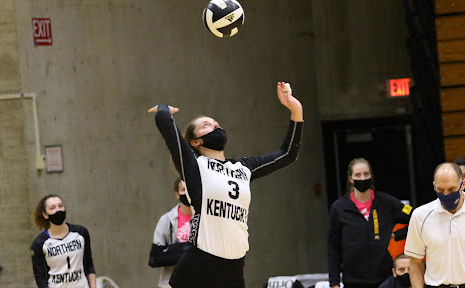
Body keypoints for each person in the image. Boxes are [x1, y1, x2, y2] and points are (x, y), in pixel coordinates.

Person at [147, 81, 303, 288]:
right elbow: (164, 121)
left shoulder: (243, 168)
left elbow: (287, 154)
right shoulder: (195, 165)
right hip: (200, 262)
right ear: (195, 142)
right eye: (206, 125)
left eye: (216, 123)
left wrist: (296, 109)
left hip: (234, 266)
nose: (215, 126)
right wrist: (165, 109)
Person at [328, 158, 413, 288]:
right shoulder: (339, 208)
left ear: (371, 176)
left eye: (366, 174)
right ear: (350, 179)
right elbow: (333, 247)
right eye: (358, 175)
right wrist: (334, 282)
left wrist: (397, 235)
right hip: (354, 280)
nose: (362, 178)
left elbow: (418, 219)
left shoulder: (386, 202)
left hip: (384, 278)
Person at [404, 162, 465, 288]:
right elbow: (415, 262)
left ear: (463, 184)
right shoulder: (420, 215)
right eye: (440, 189)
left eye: (452, 189)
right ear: (434, 186)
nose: (446, 194)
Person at [31, 195, 96, 288]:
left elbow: (89, 264)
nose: (58, 210)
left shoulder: (81, 233)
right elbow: (40, 277)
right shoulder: (39, 243)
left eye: (60, 206)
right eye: (52, 208)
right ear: (45, 214)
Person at [149, 178, 193, 288]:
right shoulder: (166, 220)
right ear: (177, 194)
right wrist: (187, 249)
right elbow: (154, 257)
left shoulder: (204, 219)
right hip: (170, 281)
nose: (187, 194)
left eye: (189, 190)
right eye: (183, 190)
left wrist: (171, 250)